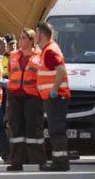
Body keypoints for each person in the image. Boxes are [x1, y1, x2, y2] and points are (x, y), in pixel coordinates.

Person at [6, 28, 45, 171]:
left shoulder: (39, 56)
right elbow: (11, 74)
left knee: (34, 128)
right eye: (20, 38)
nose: (21, 41)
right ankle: (16, 161)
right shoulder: (13, 55)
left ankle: (39, 159)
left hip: (33, 96)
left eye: (24, 38)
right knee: (15, 129)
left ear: (31, 40)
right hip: (15, 96)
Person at [36, 22, 70, 172]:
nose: (35, 36)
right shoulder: (48, 50)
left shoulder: (49, 51)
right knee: (56, 129)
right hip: (54, 97)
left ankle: (60, 161)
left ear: (41, 34)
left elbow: (61, 70)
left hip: (55, 97)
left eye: (36, 32)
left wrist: (54, 90)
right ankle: (59, 160)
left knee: (56, 130)